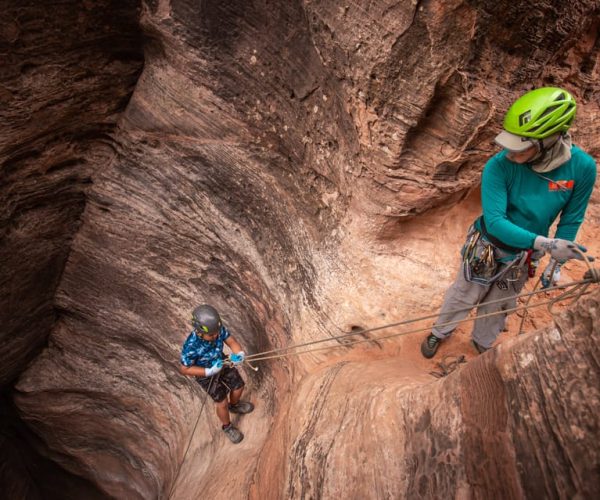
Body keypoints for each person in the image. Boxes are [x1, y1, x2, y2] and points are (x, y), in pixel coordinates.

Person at [421, 87, 597, 359]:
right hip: (489, 245)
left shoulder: (582, 167)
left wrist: (556, 262)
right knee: (465, 293)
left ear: (550, 139)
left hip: (523, 255)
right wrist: (547, 244)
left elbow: (572, 217)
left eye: (521, 146)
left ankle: (482, 344)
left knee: (500, 302)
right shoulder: (499, 166)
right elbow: (495, 222)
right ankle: (440, 332)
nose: (509, 152)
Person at [180, 304, 254, 443]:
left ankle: (235, 405)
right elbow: (184, 369)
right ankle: (227, 427)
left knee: (239, 386)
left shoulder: (217, 330)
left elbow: (232, 342)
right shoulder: (191, 346)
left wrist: (239, 353)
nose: (216, 336)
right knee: (221, 403)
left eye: (216, 332)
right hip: (205, 375)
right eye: (211, 335)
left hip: (222, 362)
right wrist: (208, 371)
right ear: (199, 331)